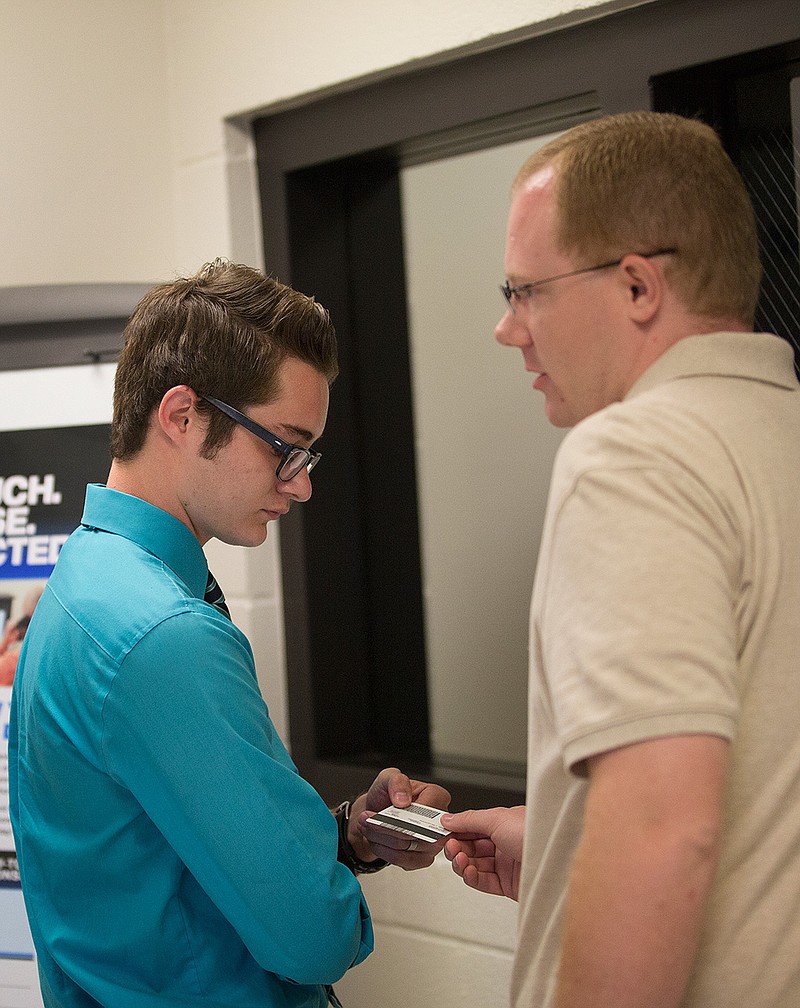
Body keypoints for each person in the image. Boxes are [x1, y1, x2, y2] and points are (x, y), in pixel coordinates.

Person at [9, 259, 450, 1008]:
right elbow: (314, 937)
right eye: (284, 444)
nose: (302, 482)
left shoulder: (83, 582)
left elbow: (155, 856)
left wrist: (344, 836)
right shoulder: (163, 634)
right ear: (181, 416)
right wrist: (329, 894)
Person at [441, 111, 800, 1007]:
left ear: (638, 287)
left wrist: (621, 837)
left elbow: (662, 829)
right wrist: (568, 838)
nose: (507, 329)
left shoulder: (634, 457)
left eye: (526, 291)